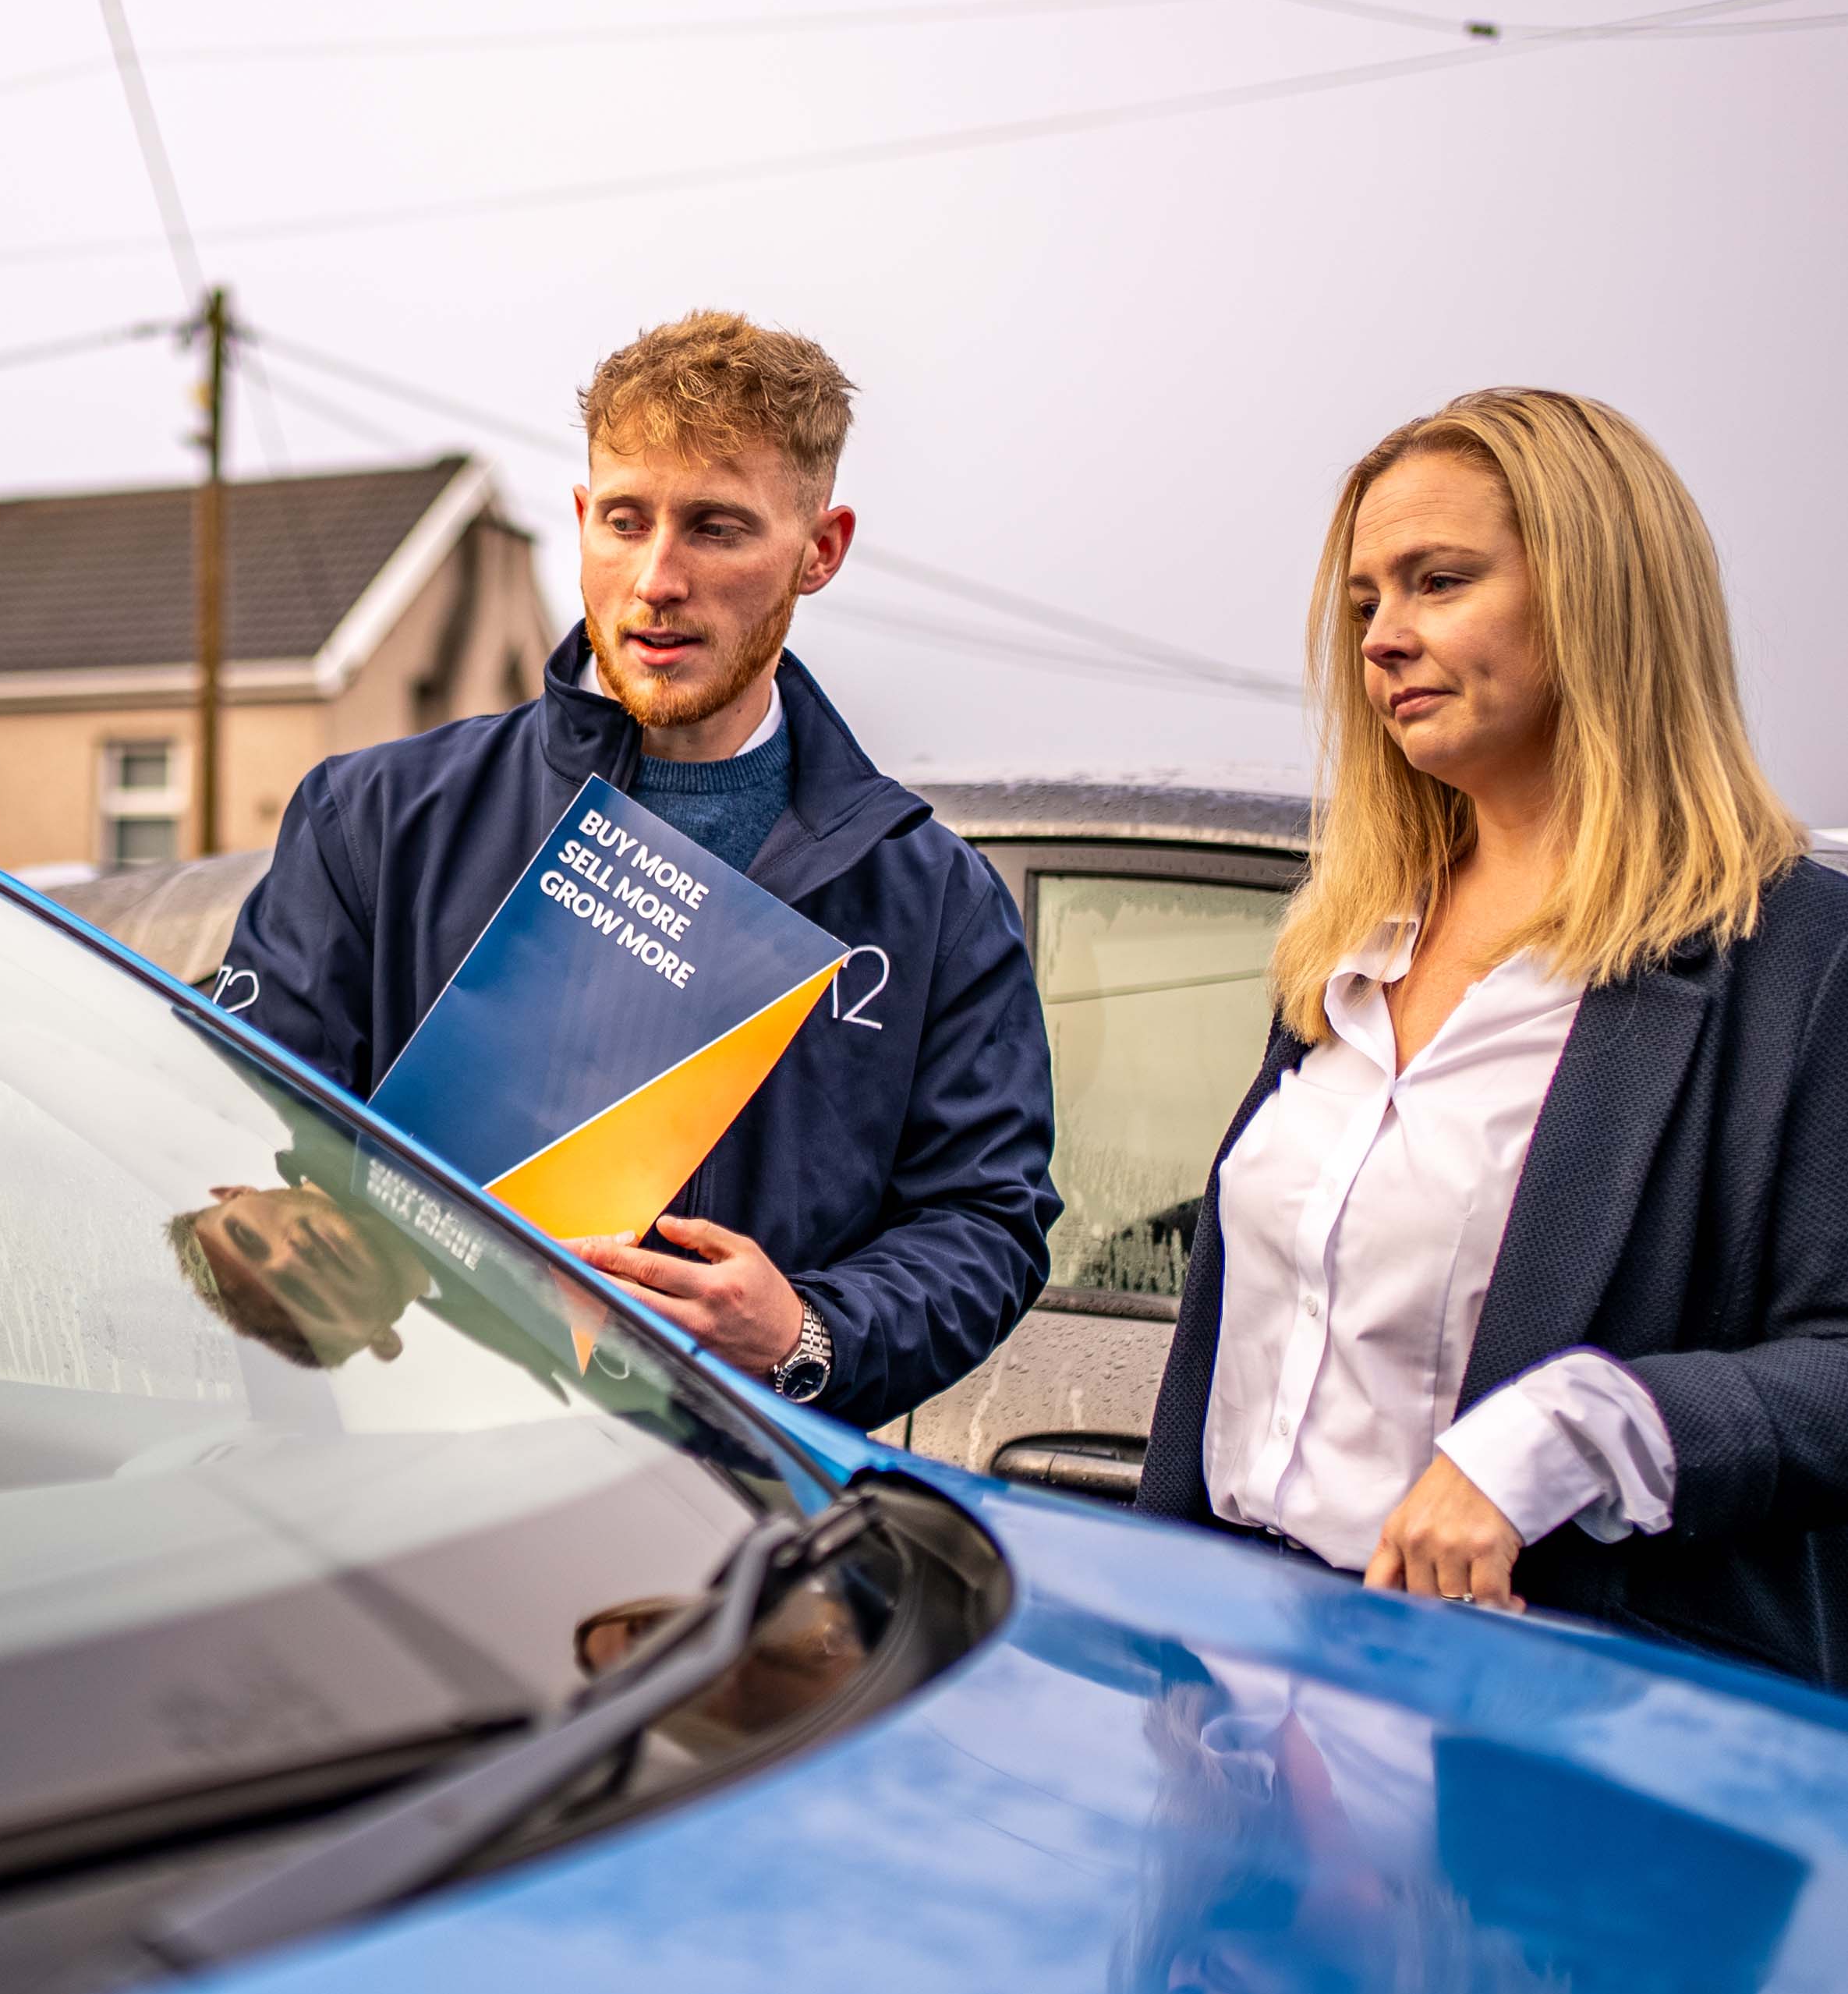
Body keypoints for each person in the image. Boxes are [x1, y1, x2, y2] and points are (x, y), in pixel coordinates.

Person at [214, 310, 1059, 1424]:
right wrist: (275, 1236)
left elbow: (983, 1221)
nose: (656, 578)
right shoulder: (373, 817)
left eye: (715, 528)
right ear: (579, 520)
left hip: (735, 1524)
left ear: (821, 547)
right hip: (404, 1491)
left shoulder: (931, 900)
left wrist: (809, 1331)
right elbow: (227, 1120)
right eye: (624, 520)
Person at [1135, 386, 1848, 1686]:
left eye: (1437, 582)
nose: (1383, 640)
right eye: (1364, 605)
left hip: (1532, 1733)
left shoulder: (1796, 953)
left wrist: (1574, 1431)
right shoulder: (1346, 936)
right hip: (1230, 1687)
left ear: (1601, 592)